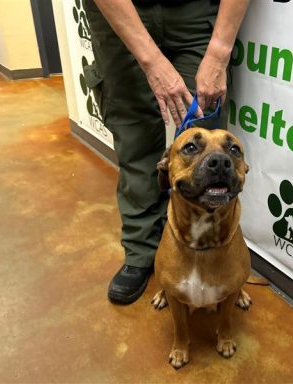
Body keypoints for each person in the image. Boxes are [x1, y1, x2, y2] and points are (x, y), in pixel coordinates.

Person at [84, 0, 250, 304]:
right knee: (134, 139)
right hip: (121, 10)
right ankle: (141, 250)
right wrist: (150, 61)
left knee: (208, 156)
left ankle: (219, 261)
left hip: (198, 10)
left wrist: (219, 50)